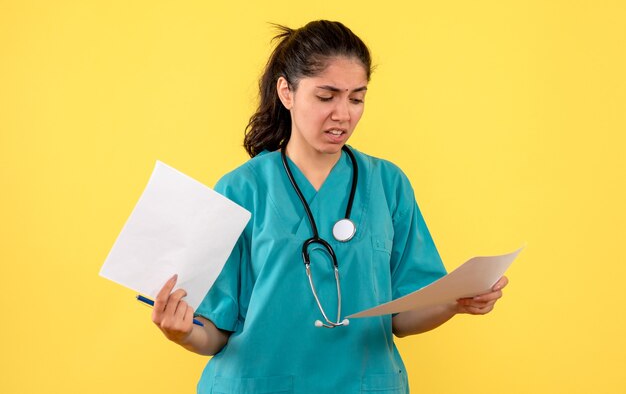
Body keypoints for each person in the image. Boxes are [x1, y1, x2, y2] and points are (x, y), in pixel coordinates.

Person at [151, 20, 508, 394]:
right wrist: (183, 332)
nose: (344, 114)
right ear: (286, 92)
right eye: (327, 97)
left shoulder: (388, 184)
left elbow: (403, 315)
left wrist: (454, 302)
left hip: (363, 384)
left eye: (356, 98)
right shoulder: (240, 189)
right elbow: (214, 331)